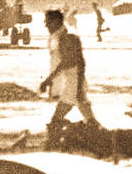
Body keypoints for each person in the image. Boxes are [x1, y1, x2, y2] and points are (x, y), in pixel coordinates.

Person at [40, 9, 96, 147]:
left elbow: (71, 62)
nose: (46, 26)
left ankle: (54, 144)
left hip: (74, 83)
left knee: (57, 118)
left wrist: (48, 80)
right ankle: (100, 139)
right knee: (89, 118)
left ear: (57, 21)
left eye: (48, 22)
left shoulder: (68, 37)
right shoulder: (59, 37)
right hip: (73, 82)